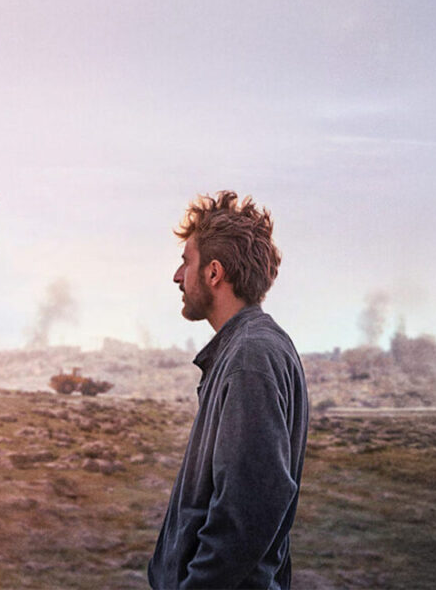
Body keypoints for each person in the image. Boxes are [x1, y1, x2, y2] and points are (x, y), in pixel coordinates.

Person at [148, 191, 309, 590]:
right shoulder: (248, 348)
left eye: (186, 262)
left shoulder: (250, 357)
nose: (177, 276)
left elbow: (248, 509)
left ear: (214, 273)